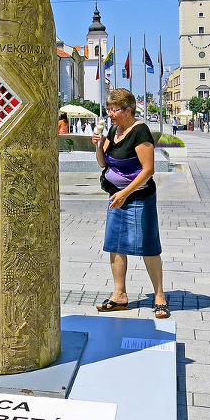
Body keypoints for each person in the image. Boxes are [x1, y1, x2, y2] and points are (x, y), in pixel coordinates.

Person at [92, 88, 169, 319]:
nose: (110, 114)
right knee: (115, 244)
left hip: (138, 197)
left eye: (114, 110)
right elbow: (102, 163)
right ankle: (119, 295)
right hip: (116, 197)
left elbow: (148, 170)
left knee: (148, 245)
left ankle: (159, 296)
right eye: (109, 109)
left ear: (128, 110)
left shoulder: (140, 131)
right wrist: (98, 144)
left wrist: (125, 193)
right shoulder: (115, 130)